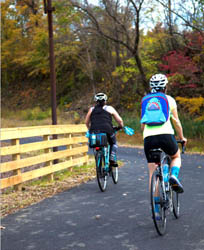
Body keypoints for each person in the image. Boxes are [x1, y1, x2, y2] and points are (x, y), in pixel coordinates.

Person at [141, 74, 187, 217]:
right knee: (176, 156)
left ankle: (156, 211)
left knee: (152, 171)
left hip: (148, 138)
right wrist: (181, 137)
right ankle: (173, 176)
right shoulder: (170, 100)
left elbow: (142, 125)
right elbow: (177, 122)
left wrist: (148, 134)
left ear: (151, 87)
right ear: (165, 87)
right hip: (166, 136)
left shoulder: (145, 100)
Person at [85, 93, 124, 166]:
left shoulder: (91, 109)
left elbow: (86, 122)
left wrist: (90, 130)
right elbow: (120, 120)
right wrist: (121, 126)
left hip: (94, 131)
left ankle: (99, 163)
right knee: (113, 143)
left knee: (98, 144)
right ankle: (112, 157)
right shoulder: (109, 108)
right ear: (105, 101)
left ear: (96, 101)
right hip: (107, 130)